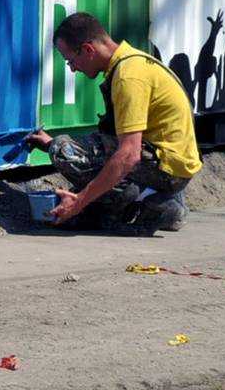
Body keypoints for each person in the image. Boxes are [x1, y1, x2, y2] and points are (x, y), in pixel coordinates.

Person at [25, 12, 201, 234]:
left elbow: (129, 155)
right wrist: (49, 143)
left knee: (64, 150)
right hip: (173, 164)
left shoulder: (128, 77)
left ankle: (145, 207)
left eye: (71, 61)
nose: (73, 68)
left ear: (88, 50)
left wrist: (78, 202)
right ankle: (155, 199)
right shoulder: (132, 60)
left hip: (166, 170)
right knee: (82, 145)